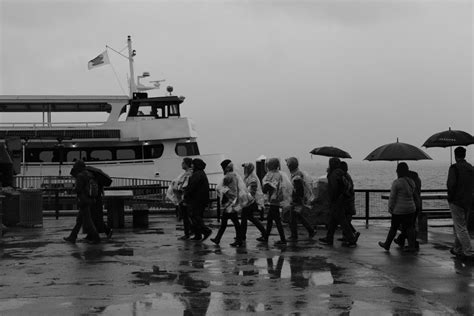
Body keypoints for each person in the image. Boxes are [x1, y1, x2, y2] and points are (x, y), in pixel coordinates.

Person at [378, 162, 417, 252]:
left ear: (398, 171)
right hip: (411, 208)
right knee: (410, 227)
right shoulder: (411, 181)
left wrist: (390, 208)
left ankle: (387, 244)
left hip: (399, 210)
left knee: (394, 228)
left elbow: (392, 197)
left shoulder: (396, 183)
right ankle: (412, 246)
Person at [319, 158, 357, 247]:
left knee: (342, 220)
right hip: (341, 199)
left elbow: (334, 188)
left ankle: (351, 238)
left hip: (337, 201)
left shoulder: (334, 174)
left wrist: (333, 199)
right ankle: (329, 238)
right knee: (333, 220)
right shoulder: (341, 173)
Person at [63, 160, 101, 244]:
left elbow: (78, 189)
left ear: (78, 167)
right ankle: (72, 236)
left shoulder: (80, 176)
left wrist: (74, 189)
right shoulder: (89, 174)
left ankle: (96, 238)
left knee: (88, 221)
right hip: (89, 199)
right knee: (79, 220)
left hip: (83, 200)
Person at [446, 147, 474, 259]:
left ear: (455, 155)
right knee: (461, 225)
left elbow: (450, 184)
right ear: (465, 154)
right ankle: (457, 248)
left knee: (460, 227)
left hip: (457, 200)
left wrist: (450, 197)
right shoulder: (471, 168)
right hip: (468, 201)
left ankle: (468, 251)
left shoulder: (454, 168)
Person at [211, 159, 245, 247]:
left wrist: (223, 194)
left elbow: (222, 188)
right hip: (233, 200)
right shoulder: (234, 175)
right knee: (229, 221)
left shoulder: (227, 177)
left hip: (230, 202)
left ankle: (238, 240)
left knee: (232, 221)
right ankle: (219, 238)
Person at [261, 158, 293, 245]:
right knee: (270, 219)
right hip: (276, 199)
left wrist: (266, 186)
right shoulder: (280, 174)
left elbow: (270, 187)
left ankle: (282, 240)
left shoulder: (273, 175)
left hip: (274, 200)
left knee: (276, 220)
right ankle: (266, 237)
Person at [285, 157, 316, 241]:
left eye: (288, 164)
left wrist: (295, 200)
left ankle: (294, 235)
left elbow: (299, 190)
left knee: (292, 218)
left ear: (291, 166)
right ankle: (311, 230)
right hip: (298, 200)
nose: (287, 166)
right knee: (298, 216)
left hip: (296, 200)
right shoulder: (297, 173)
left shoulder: (297, 176)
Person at [394, 164, 421, 248]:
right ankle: (409, 241)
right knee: (412, 224)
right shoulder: (415, 180)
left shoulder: (404, 182)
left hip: (408, 206)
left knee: (407, 225)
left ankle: (408, 242)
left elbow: (401, 194)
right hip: (417, 204)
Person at [184, 158, 212, 241]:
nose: (191, 165)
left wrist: (186, 195)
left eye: (193, 164)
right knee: (196, 216)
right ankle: (197, 235)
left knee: (195, 216)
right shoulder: (201, 173)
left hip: (197, 200)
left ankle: (206, 231)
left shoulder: (197, 174)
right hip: (200, 199)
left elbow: (192, 186)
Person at [167, 157, 194, 240]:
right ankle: (190, 232)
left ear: (186, 164)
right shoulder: (186, 173)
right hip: (182, 197)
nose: (182, 164)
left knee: (186, 216)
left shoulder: (188, 174)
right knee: (185, 216)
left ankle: (189, 233)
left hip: (183, 198)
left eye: (183, 162)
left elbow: (183, 185)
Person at [241, 162, 267, 241]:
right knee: (249, 217)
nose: (244, 169)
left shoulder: (252, 178)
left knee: (245, 217)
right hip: (250, 201)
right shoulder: (249, 177)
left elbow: (252, 192)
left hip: (252, 202)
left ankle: (242, 235)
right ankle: (264, 233)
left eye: (245, 168)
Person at [339, 161, 360, 242]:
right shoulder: (347, 176)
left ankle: (353, 234)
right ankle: (347, 236)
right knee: (346, 220)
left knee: (346, 220)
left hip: (347, 201)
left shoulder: (345, 177)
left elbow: (347, 189)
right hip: (349, 201)